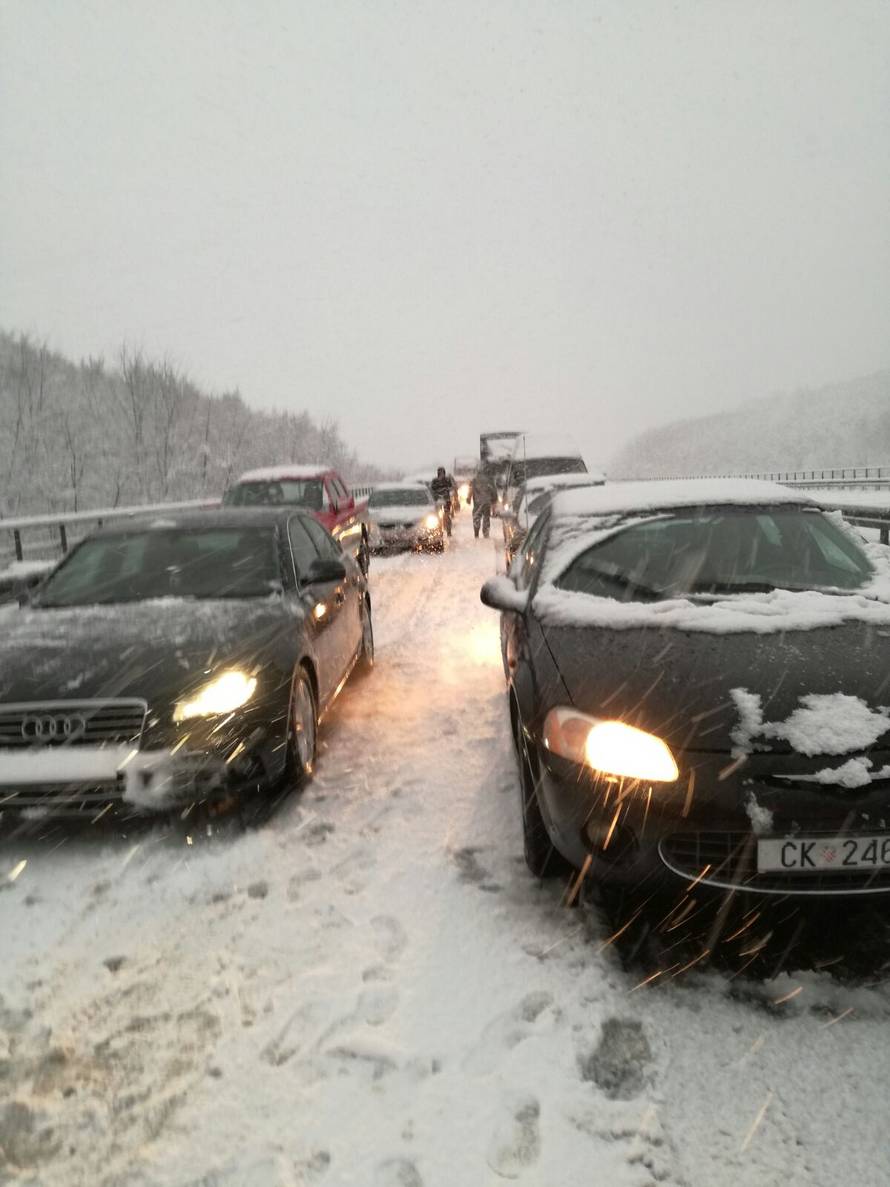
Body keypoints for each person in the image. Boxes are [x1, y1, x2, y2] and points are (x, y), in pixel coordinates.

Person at [471, 465, 497, 538]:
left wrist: (469, 498)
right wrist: (494, 500)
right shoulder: (489, 480)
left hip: (477, 502)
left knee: (476, 516)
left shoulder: (475, 480)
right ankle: (486, 533)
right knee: (486, 517)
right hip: (486, 502)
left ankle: (476, 532)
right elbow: (493, 491)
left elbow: (471, 490)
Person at [430, 466, 456, 536]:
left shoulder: (447, 480)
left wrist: (447, 489)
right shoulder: (434, 481)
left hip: (446, 500)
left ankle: (448, 531)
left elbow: (452, 487)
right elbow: (431, 490)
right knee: (437, 517)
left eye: (442, 473)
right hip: (438, 501)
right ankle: (438, 531)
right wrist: (436, 494)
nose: (441, 474)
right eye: (439, 473)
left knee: (447, 516)